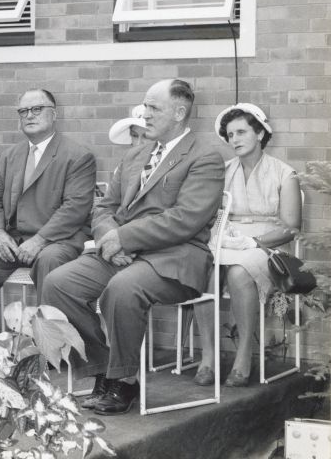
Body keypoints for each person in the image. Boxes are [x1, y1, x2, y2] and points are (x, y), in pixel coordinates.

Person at [42, 79, 224, 416]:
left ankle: (124, 381)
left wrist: (123, 238)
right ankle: (102, 370)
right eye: (145, 106)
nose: (145, 113)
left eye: (154, 107)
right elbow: (103, 207)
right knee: (57, 284)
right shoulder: (136, 154)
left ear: (180, 112)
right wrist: (111, 235)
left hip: (174, 259)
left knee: (122, 289)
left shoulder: (205, 157)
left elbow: (186, 219)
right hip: (121, 253)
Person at [0, 89, 96, 337]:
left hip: (58, 239)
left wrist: (40, 240)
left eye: (37, 109)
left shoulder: (78, 155)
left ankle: (53, 344)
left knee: (50, 261)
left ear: (54, 114)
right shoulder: (9, 156)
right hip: (13, 238)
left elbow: (75, 208)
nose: (29, 115)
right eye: (23, 111)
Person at [192, 103, 302, 388]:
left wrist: (253, 241)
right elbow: (210, 214)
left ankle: (243, 357)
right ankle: (209, 357)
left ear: (260, 133)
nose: (235, 139)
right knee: (205, 268)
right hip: (228, 239)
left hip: (269, 247)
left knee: (240, 272)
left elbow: (290, 227)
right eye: (230, 135)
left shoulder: (284, 173)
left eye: (241, 132)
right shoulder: (224, 171)